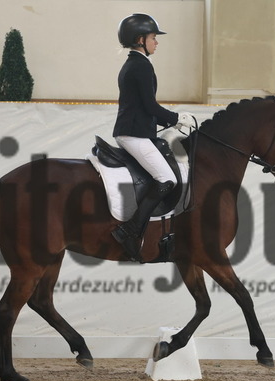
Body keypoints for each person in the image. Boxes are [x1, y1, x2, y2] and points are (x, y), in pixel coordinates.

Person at [112, 13, 195, 262]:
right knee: (166, 179)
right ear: (140, 39)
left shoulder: (134, 64)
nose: (156, 42)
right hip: (133, 135)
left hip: (134, 131)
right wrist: (176, 117)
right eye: (153, 38)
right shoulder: (141, 65)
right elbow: (150, 105)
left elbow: (143, 107)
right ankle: (130, 230)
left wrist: (170, 120)